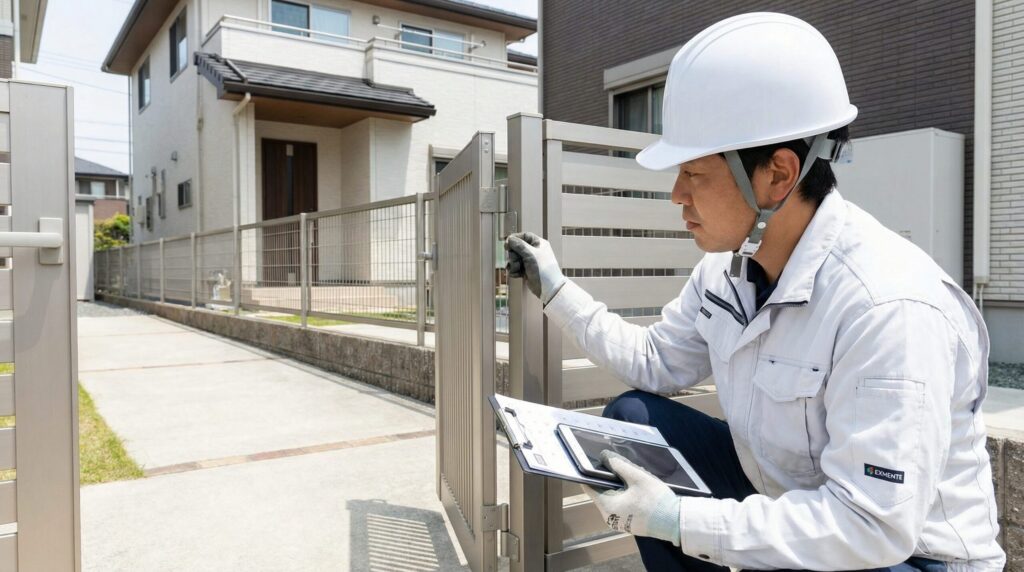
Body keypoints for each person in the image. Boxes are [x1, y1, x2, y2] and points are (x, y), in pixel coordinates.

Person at [504, 12, 1005, 572]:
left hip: (909, 557)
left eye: (694, 173)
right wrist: (554, 288)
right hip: (793, 499)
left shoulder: (886, 307)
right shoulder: (726, 272)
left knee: (690, 518)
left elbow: (871, 526)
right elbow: (655, 362)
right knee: (633, 422)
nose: (677, 195)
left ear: (777, 175)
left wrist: (677, 519)